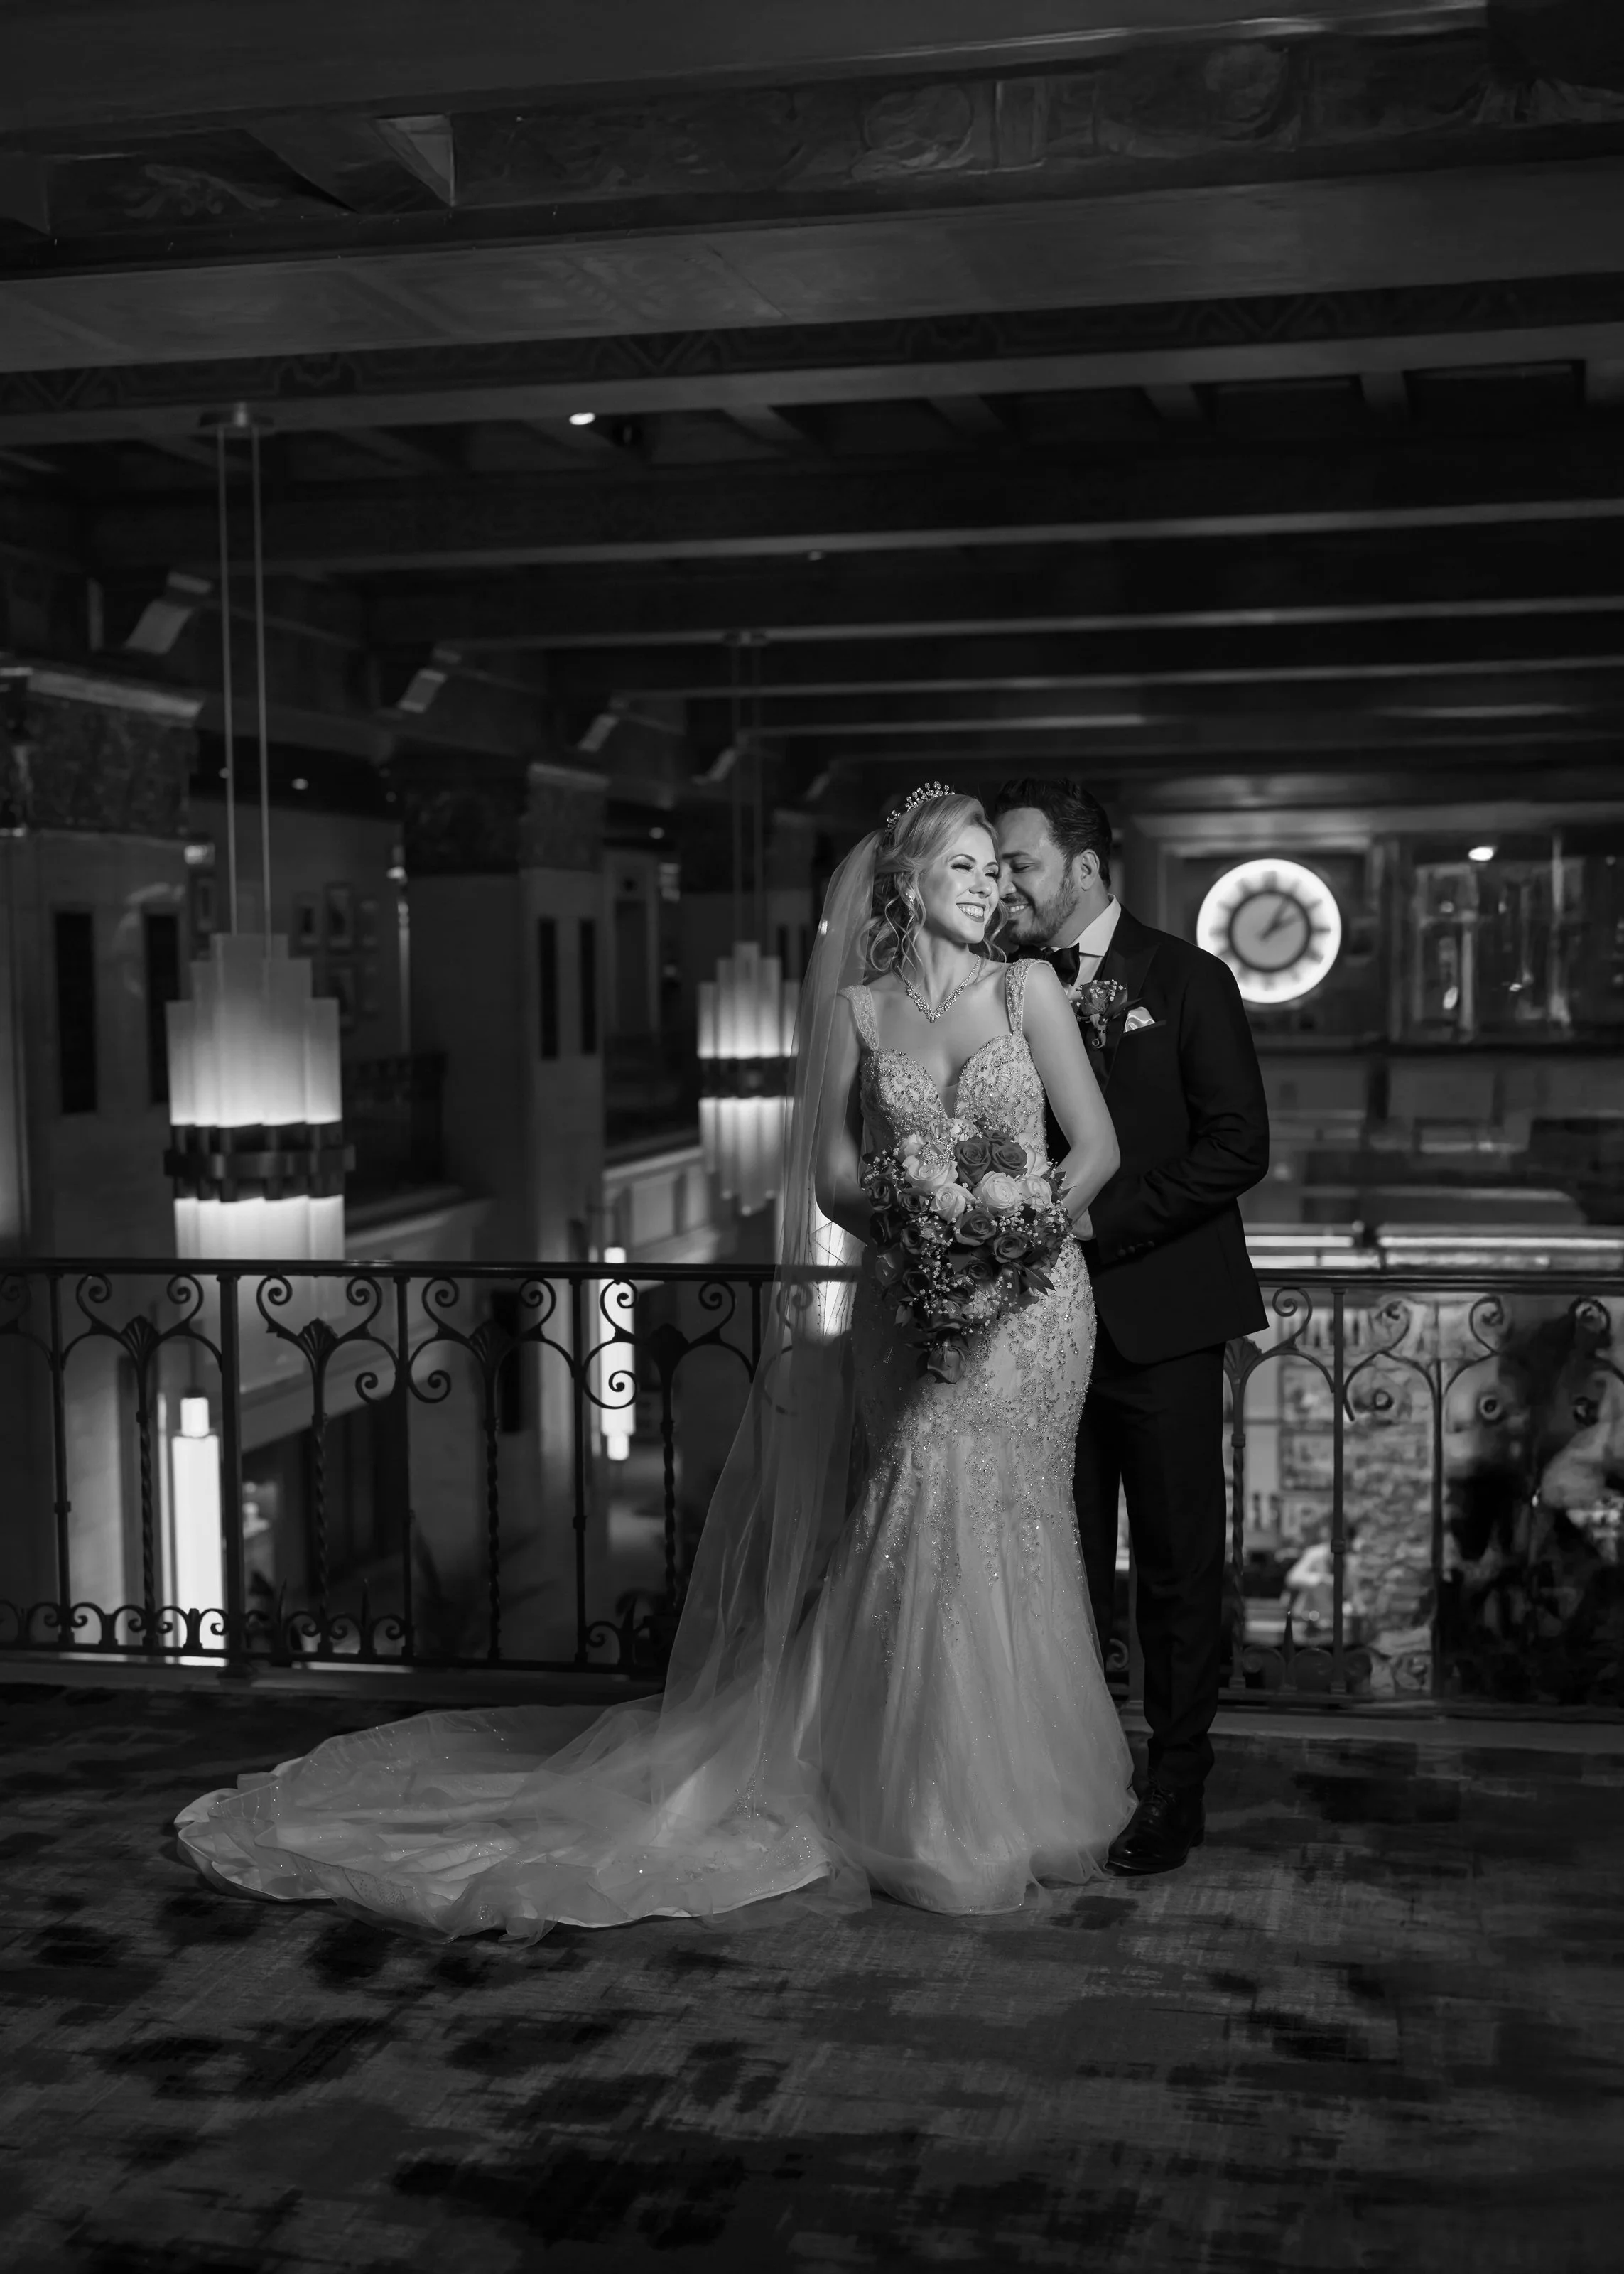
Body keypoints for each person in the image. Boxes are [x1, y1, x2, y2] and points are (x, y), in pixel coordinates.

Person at [177, 787, 1135, 1940]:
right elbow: (833, 1178)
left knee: (1008, 1517)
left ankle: (1008, 1792)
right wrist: (917, 1226)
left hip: (1029, 1305)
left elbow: (1098, 1149)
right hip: (910, 1297)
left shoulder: (1026, 989)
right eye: (968, 868)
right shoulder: (862, 1009)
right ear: (906, 887)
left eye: (998, 869)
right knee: (915, 1508)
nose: (994, 887)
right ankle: (912, 1797)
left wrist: (1014, 1229)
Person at [990, 779, 1270, 1876]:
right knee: (1051, 1566)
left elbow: (1235, 1146)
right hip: (1035, 1332)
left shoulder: (1188, 977)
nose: (1004, 884)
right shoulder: (1003, 988)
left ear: (1084, 865)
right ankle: (1069, 1775)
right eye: (995, 867)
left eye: (1019, 863)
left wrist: (1093, 1229)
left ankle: (1176, 1787)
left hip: (1162, 1318)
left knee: (1172, 1566)